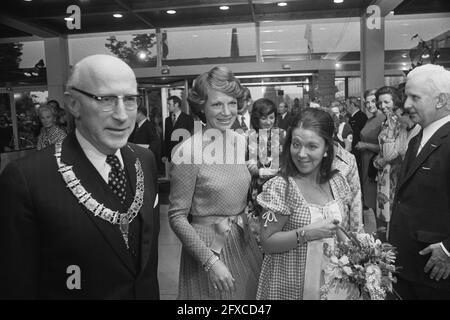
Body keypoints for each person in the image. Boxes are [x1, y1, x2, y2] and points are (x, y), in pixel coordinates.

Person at [0, 54, 160, 299]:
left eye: (129, 100)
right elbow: (17, 285)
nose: (121, 115)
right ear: (73, 104)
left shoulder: (144, 161)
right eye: (105, 99)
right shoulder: (26, 180)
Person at [168, 66, 262, 300]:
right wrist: (211, 262)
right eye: (217, 104)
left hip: (243, 239)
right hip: (208, 246)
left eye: (232, 103)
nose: (227, 111)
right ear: (202, 106)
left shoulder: (241, 142)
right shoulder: (188, 151)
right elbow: (177, 216)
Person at [256, 108, 362, 300]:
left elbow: (341, 232)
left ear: (326, 149)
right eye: (296, 144)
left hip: (333, 287)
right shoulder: (281, 187)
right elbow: (267, 241)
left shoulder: (336, 182)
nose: (301, 154)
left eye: (312, 146)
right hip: (290, 285)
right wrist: (307, 233)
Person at [390, 64, 450, 299]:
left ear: (441, 100)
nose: (405, 105)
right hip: (408, 266)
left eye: (415, 97)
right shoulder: (418, 137)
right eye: (406, 96)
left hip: (436, 274)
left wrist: (447, 248)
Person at [372, 86, 409, 239]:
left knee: (392, 214)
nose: (382, 106)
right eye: (380, 103)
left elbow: (393, 153)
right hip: (383, 174)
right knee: (383, 214)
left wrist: (382, 159)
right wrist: (377, 161)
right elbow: (382, 153)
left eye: (386, 102)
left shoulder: (400, 123)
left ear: (396, 102)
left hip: (395, 174)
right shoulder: (385, 123)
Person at [246, 98, 285, 241]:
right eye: (264, 118)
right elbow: (250, 166)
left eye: (271, 117)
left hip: (280, 189)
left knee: (279, 229)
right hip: (259, 189)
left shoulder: (282, 135)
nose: (269, 122)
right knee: (258, 232)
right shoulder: (251, 137)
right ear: (257, 119)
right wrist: (269, 172)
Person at [355, 89, 385, 213]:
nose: (370, 105)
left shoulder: (384, 119)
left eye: (373, 101)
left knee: (379, 205)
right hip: (366, 163)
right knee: (371, 203)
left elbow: (386, 148)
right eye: (367, 102)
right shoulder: (370, 119)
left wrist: (365, 145)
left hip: (376, 166)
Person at [162, 95, 194, 162]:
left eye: (169, 104)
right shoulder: (167, 120)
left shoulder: (188, 118)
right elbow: (167, 138)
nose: (167, 106)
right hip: (171, 156)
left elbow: (191, 138)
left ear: (176, 104)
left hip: (184, 156)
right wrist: (165, 154)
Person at [346, 96, 368, 178]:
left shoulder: (361, 117)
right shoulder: (351, 118)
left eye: (347, 105)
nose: (346, 108)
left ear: (352, 104)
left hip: (359, 152)